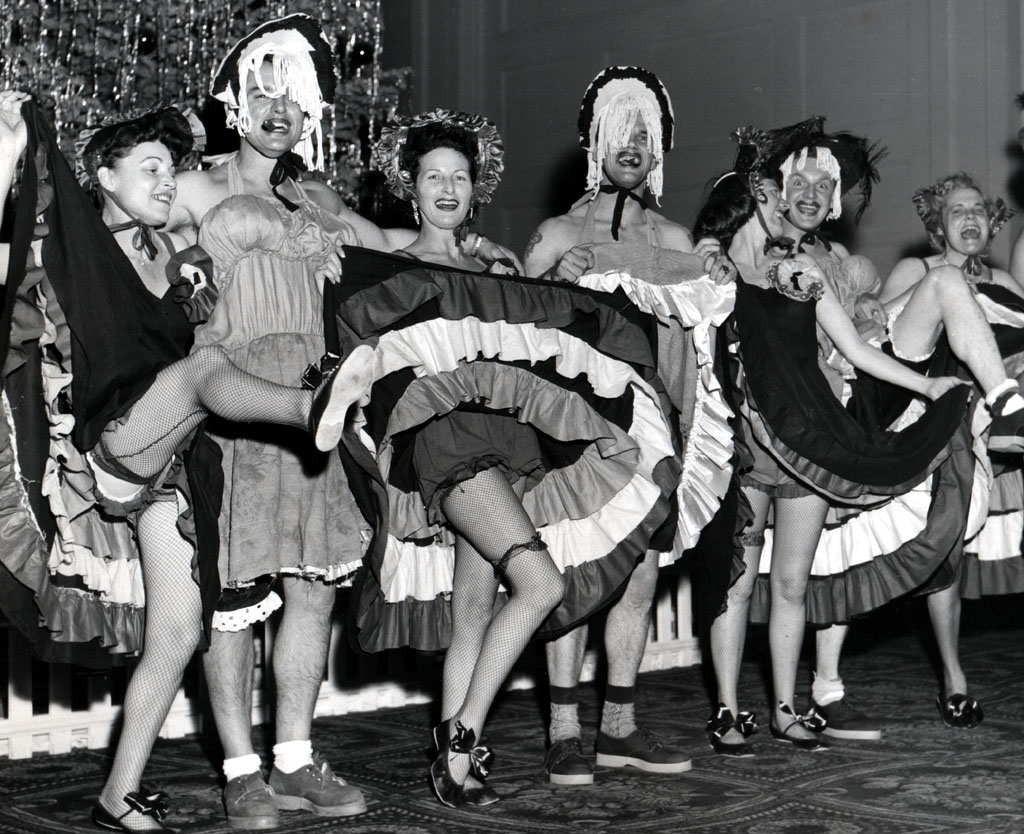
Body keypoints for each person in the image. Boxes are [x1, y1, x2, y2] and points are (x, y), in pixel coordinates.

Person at [0, 96, 370, 834]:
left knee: (175, 634)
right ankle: (311, 408)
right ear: (103, 177)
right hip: (116, 443)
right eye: (149, 168)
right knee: (204, 370)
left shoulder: (177, 256)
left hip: (171, 466)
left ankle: (118, 795)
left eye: (172, 170)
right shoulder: (66, 252)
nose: (168, 181)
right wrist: (9, 153)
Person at [342, 107, 679, 807]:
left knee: (473, 608)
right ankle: (462, 739)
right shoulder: (394, 261)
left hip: (504, 446)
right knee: (541, 585)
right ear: (411, 187)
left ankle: (453, 765)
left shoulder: (495, 267)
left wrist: (556, 271)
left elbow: (547, 340)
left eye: (459, 178)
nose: (447, 189)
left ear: (475, 189)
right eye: (433, 177)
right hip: (448, 448)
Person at [694, 126, 971, 755]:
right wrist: (708, 251)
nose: (795, 201)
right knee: (736, 582)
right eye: (782, 189)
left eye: (820, 188)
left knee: (791, 584)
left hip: (809, 447)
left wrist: (928, 387)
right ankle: (728, 710)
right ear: (759, 195)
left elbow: (856, 350)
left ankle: (785, 709)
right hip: (744, 446)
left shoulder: (803, 273)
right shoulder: (716, 272)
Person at [523, 66, 731, 785]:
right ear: (594, 142)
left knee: (638, 577)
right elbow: (514, 333)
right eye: (620, 131)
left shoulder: (676, 238)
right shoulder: (555, 234)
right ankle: (562, 731)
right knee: (575, 571)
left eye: (645, 134)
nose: (633, 145)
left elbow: (705, 331)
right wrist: (555, 279)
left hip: (652, 432)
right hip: (576, 431)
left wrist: (716, 272)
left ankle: (619, 726)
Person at [880, 172, 1024, 728]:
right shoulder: (918, 269)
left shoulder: (1005, 278)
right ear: (937, 225)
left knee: (958, 543)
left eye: (978, 211)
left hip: (996, 416)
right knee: (947, 550)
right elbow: (873, 324)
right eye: (957, 210)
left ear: (991, 224)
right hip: (932, 410)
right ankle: (954, 678)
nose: (969, 218)